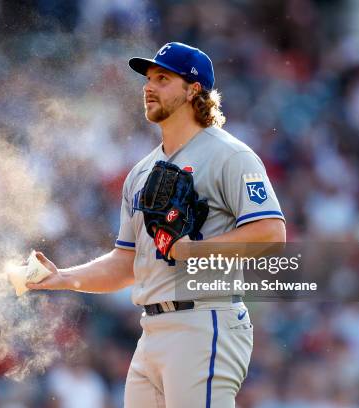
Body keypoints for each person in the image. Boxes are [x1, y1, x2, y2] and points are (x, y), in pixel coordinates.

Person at [28, 42, 286, 408]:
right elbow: (126, 263)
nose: (149, 87)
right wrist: (64, 278)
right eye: (148, 79)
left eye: (163, 79)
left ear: (194, 90)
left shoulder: (231, 155)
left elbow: (272, 235)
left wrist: (193, 251)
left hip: (205, 320)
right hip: (151, 329)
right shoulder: (140, 173)